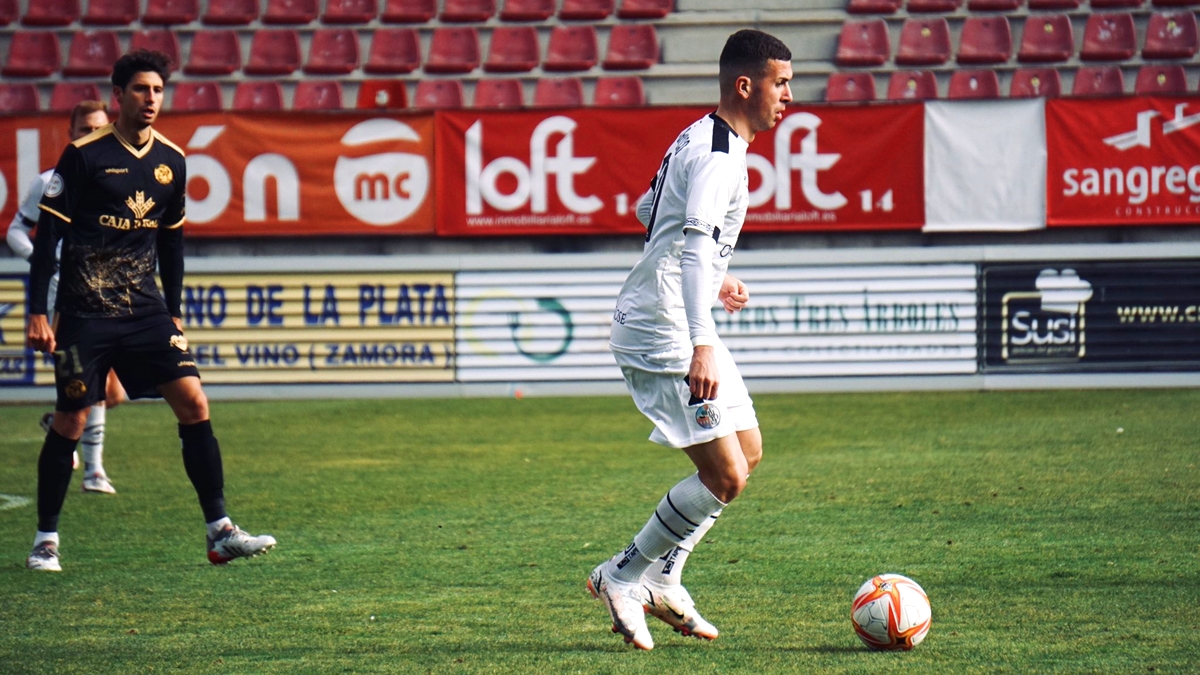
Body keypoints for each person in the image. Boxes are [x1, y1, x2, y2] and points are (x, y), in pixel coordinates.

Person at [24, 49, 276, 572]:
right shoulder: (84, 155)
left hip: (145, 309)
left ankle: (219, 531)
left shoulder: (172, 161)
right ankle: (45, 540)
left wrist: (176, 310)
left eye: (158, 90)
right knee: (71, 418)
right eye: (141, 90)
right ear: (119, 96)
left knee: (194, 401)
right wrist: (36, 311)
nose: (151, 99)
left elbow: (172, 244)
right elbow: (47, 237)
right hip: (84, 312)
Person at [587, 29, 792, 651]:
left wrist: (716, 277)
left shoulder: (697, 135)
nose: (790, 96)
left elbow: (649, 212)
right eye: (781, 83)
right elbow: (692, 239)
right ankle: (621, 576)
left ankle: (666, 578)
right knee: (725, 476)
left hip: (679, 316)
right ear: (745, 85)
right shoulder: (718, 158)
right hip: (665, 331)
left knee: (748, 452)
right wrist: (703, 339)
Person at [8, 100, 126, 495]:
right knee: (88, 383)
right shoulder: (48, 182)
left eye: (97, 129)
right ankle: (94, 471)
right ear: (70, 134)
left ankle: (57, 424)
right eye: (82, 130)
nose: (89, 136)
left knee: (113, 393)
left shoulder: (117, 179)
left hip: (104, 292)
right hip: (65, 296)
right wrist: (51, 261)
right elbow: (16, 232)